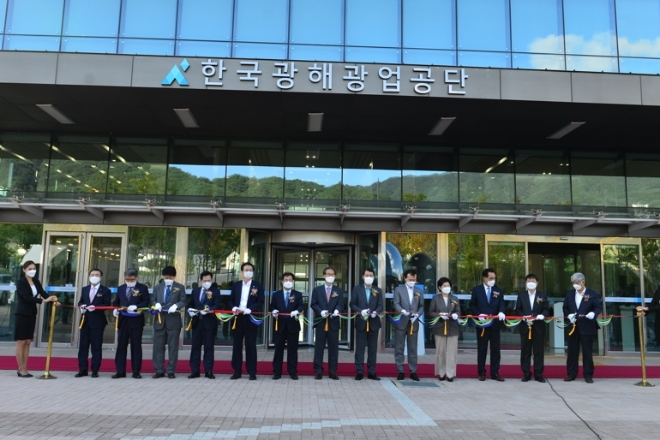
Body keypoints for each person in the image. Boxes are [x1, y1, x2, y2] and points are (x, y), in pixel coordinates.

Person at [14, 260, 60, 378]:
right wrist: (42, 301)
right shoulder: (21, 282)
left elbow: (44, 294)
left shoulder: (36, 282)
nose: (32, 270)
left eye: (34, 268)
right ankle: (21, 368)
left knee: (28, 341)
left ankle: (25, 367)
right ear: (24, 270)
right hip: (22, 313)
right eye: (29, 268)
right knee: (21, 341)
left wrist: (53, 300)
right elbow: (26, 297)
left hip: (32, 313)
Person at [563, 272, 602, 384]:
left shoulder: (592, 294)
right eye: (573, 283)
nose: (575, 284)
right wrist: (569, 315)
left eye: (577, 282)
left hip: (587, 326)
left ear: (583, 282)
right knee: (572, 351)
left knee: (587, 352)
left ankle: (588, 375)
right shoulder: (569, 294)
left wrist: (593, 314)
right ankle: (571, 373)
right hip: (573, 326)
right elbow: (565, 307)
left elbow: (597, 307)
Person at [112, 267, 150, 379]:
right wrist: (115, 308)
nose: (129, 282)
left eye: (131, 280)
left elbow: (146, 302)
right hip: (123, 320)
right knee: (121, 346)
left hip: (136, 320)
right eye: (127, 279)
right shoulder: (121, 288)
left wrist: (137, 306)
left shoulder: (142, 288)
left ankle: (136, 371)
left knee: (136, 346)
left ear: (136, 278)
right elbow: (116, 301)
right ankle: (120, 371)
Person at [470, 268, 506, 382]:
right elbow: (472, 305)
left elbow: (502, 303)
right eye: (490, 278)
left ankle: (495, 372)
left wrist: (501, 312)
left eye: (494, 278)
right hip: (482, 324)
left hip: (495, 323)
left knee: (496, 349)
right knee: (482, 348)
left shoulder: (498, 290)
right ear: (484, 278)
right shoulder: (477, 290)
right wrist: (478, 314)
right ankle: (481, 372)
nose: (492, 280)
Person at [229, 262, 264, 380]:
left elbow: (260, 301)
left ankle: (252, 371)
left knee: (251, 346)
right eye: (246, 269)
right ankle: (237, 371)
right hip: (237, 318)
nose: (248, 271)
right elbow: (230, 299)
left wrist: (250, 309)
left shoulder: (257, 286)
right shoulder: (236, 285)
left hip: (250, 318)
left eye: (250, 270)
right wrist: (234, 308)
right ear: (242, 272)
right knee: (237, 345)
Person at [151, 266, 187, 379]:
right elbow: (152, 299)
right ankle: (159, 370)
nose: (168, 279)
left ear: (174, 277)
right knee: (158, 347)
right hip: (160, 320)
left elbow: (183, 300)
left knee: (173, 347)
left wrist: (177, 305)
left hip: (174, 321)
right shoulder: (157, 287)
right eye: (166, 277)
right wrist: (155, 304)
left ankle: (171, 370)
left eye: (170, 277)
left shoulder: (180, 287)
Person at [76, 268, 111, 378]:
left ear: (101, 277)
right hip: (85, 320)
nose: (94, 276)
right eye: (92, 274)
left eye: (96, 275)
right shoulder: (85, 289)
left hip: (98, 321)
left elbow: (107, 305)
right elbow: (81, 301)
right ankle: (83, 369)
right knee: (83, 347)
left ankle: (95, 370)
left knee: (96, 347)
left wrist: (95, 307)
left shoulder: (105, 290)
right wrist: (81, 306)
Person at [310, 266, 344, 380]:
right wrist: (320, 311)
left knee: (333, 348)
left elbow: (341, 303)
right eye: (328, 274)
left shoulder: (338, 290)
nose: (330, 276)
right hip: (321, 322)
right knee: (319, 347)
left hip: (334, 322)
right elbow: (313, 304)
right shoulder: (317, 290)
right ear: (324, 276)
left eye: (332, 274)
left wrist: (337, 310)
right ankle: (318, 371)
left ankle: (332, 371)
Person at [269, 272, 304, 380]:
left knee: (292, 350)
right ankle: (277, 372)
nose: (288, 282)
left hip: (292, 325)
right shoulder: (276, 294)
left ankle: (293, 372)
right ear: (282, 281)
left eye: (290, 280)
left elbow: (301, 306)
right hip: (279, 325)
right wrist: (273, 311)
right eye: (286, 280)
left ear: (293, 282)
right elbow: (272, 306)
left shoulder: (297, 294)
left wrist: (296, 311)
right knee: (278, 349)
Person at [350, 267, 383, 380]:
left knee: (372, 348)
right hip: (361, 321)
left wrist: (376, 312)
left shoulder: (378, 290)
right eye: (367, 275)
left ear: (374, 277)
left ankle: (371, 372)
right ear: (363, 277)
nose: (369, 277)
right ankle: (359, 371)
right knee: (360, 348)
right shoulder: (357, 289)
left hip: (374, 322)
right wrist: (360, 311)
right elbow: (352, 304)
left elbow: (380, 305)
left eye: (371, 276)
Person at [515, 274, 549, 383]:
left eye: (533, 280)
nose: (531, 282)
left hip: (538, 326)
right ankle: (526, 373)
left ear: (537, 282)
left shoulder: (542, 295)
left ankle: (538, 374)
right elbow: (518, 309)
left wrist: (542, 315)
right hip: (525, 326)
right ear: (526, 282)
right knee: (526, 351)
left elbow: (546, 309)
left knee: (538, 351)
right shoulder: (521, 296)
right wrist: (524, 317)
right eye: (529, 280)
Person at [188, 271, 222, 379]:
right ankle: (195, 371)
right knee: (195, 347)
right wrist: (190, 309)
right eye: (205, 280)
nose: (207, 282)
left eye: (209, 280)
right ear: (201, 280)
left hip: (209, 322)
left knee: (209, 347)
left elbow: (217, 304)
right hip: (197, 322)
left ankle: (208, 371)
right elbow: (191, 303)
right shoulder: (195, 291)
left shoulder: (215, 291)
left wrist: (209, 310)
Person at [393, 269, 424, 381]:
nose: (412, 281)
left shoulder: (418, 291)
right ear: (405, 278)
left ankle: (413, 371)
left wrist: (418, 314)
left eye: (414, 279)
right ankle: (400, 370)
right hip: (402, 321)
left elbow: (421, 306)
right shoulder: (398, 289)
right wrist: (402, 311)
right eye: (410, 279)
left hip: (413, 322)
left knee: (412, 348)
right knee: (399, 347)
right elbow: (396, 303)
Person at [428, 277, 461, 382]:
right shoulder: (435, 299)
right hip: (439, 327)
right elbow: (430, 312)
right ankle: (441, 373)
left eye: (448, 286)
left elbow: (459, 311)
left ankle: (450, 374)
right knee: (441, 351)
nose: (447, 288)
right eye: (444, 286)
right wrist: (439, 314)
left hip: (452, 328)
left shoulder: (454, 298)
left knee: (451, 352)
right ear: (439, 287)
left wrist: (456, 314)